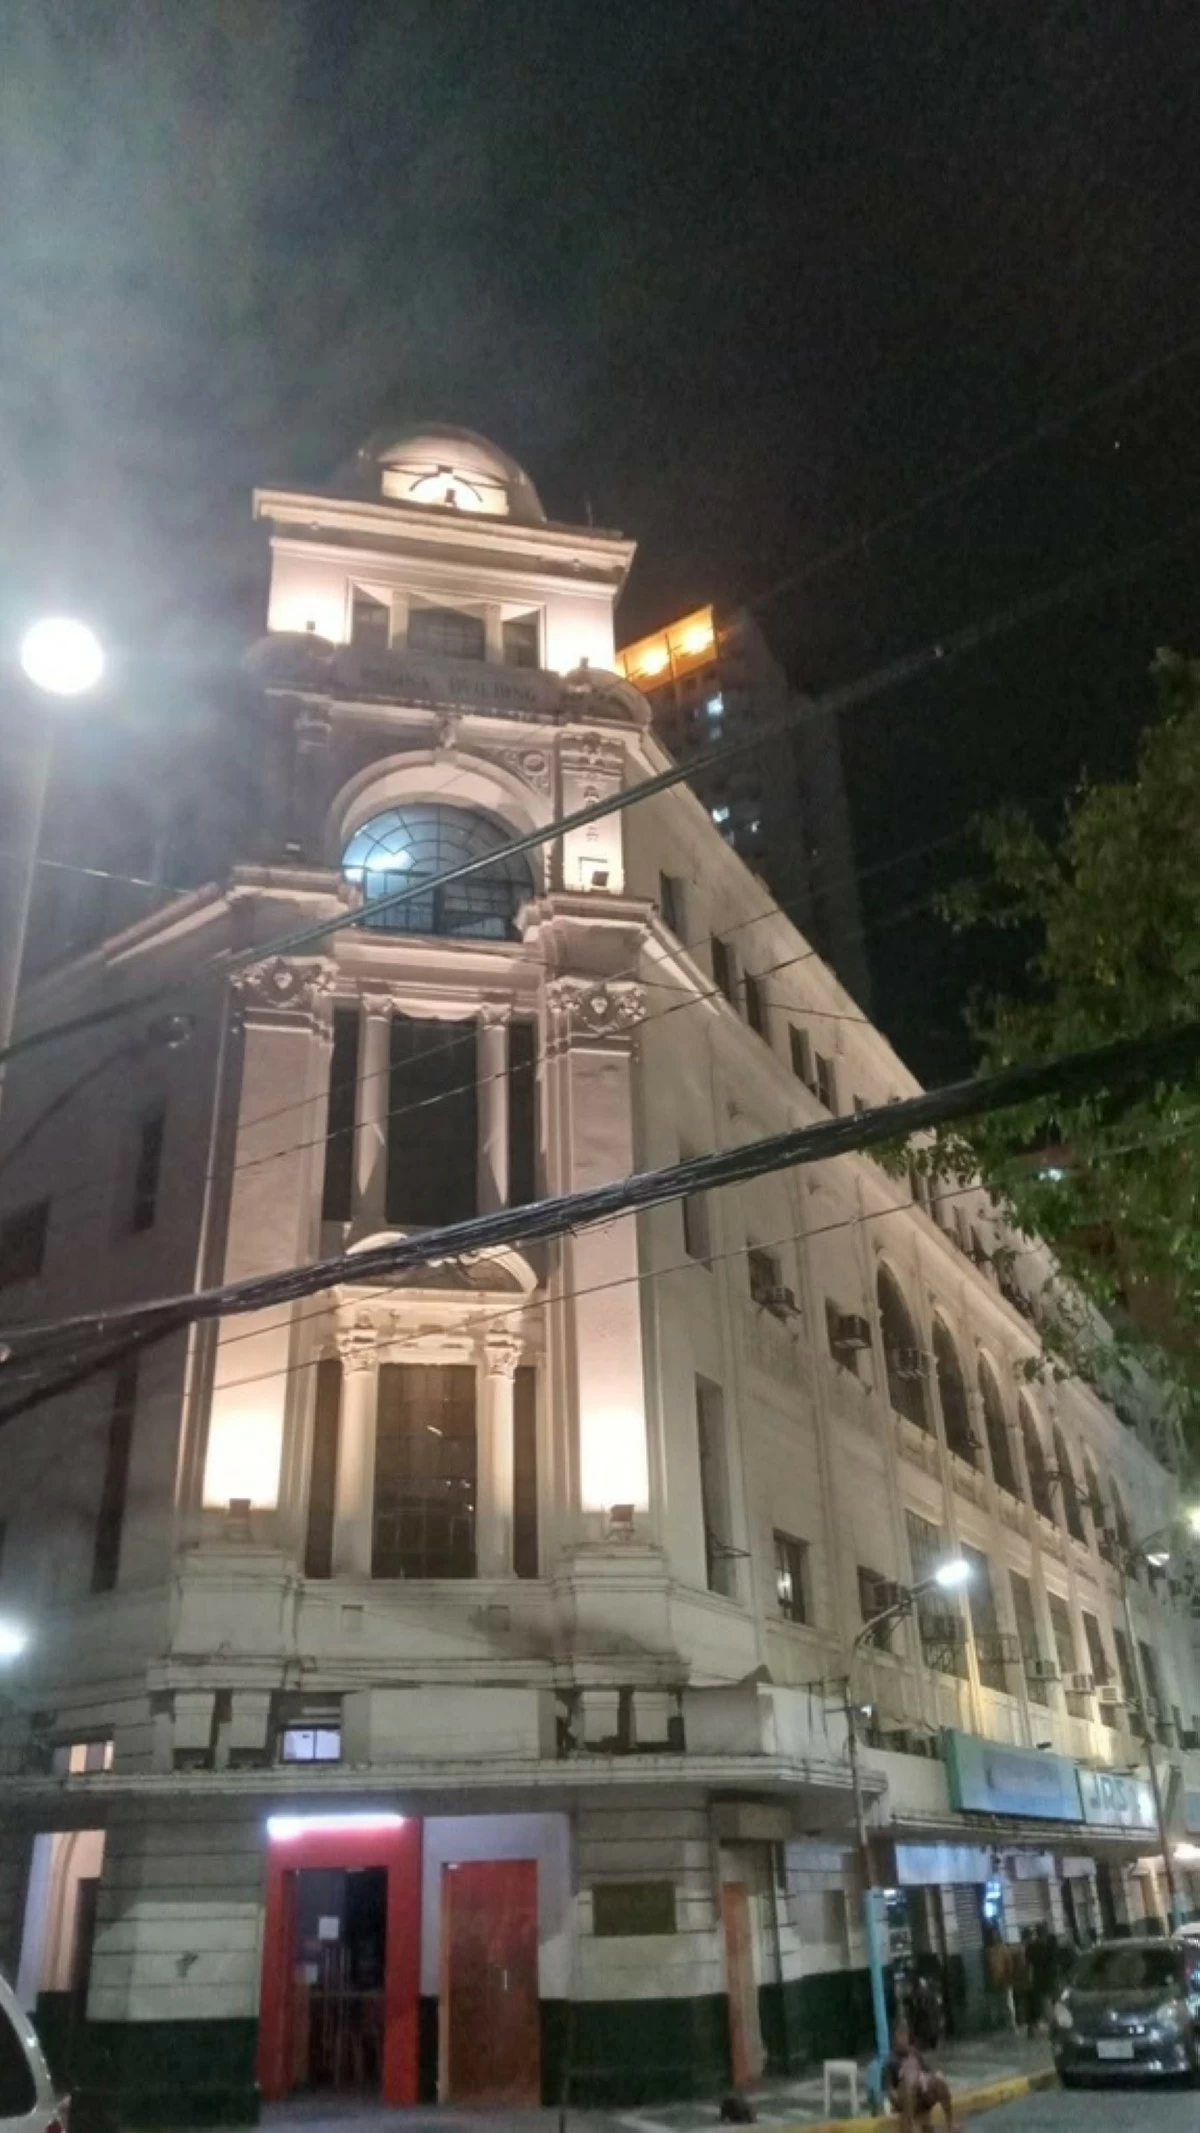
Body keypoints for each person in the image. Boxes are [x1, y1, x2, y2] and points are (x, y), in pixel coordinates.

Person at [881, 2022, 954, 2131]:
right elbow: (889, 2090)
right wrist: (897, 2094)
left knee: (939, 2082)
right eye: (899, 2036)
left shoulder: (915, 2054)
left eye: (904, 2035)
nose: (903, 2040)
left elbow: (929, 2071)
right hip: (906, 2100)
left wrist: (930, 2077)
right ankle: (909, 2128)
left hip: (922, 2096)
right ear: (894, 2040)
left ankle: (950, 2125)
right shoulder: (891, 2063)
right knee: (908, 2084)